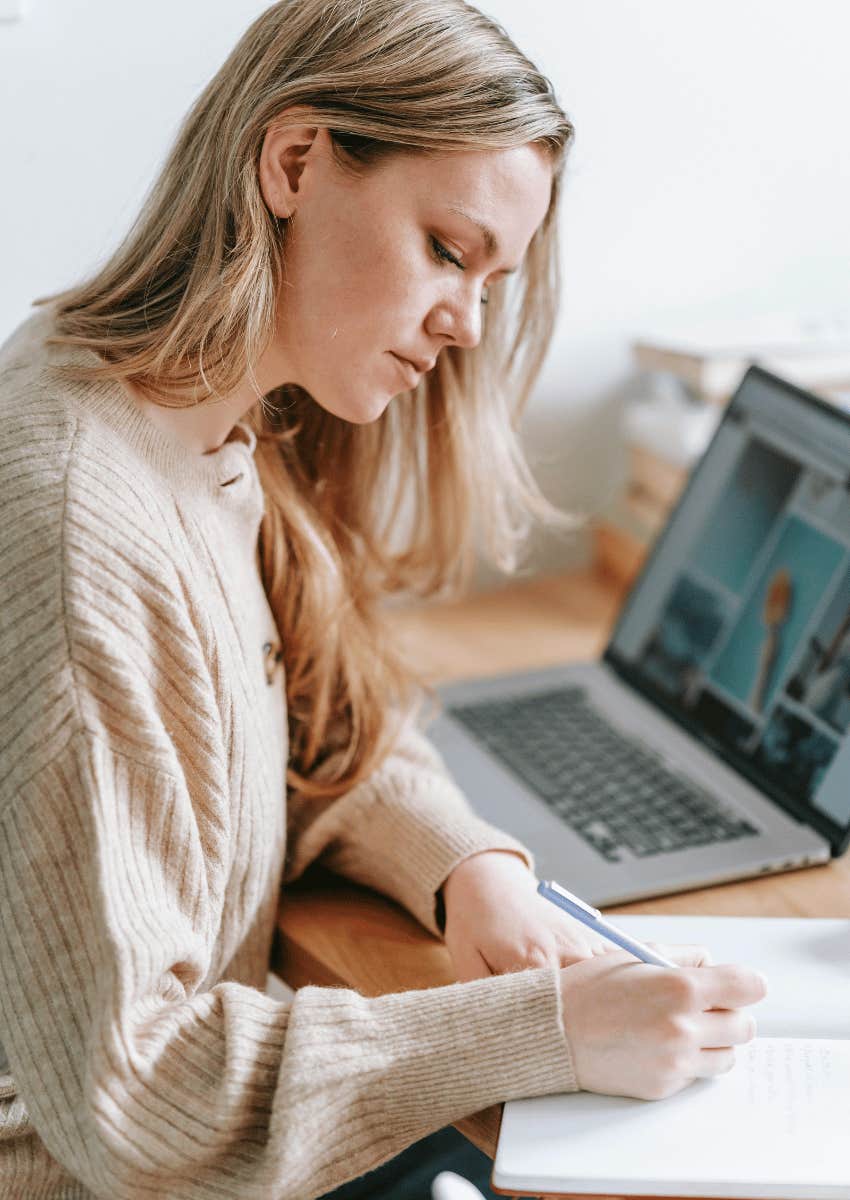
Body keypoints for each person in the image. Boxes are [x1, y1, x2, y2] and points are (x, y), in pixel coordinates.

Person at [0, 2, 767, 1197]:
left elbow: (298, 730)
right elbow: (133, 1099)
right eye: (449, 250)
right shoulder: (82, 525)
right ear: (293, 161)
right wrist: (554, 1029)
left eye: (492, 280)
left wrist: (468, 867)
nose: (466, 323)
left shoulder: (193, 415)